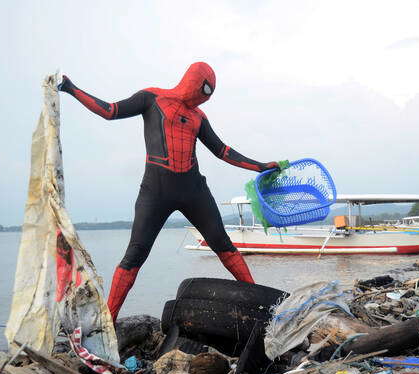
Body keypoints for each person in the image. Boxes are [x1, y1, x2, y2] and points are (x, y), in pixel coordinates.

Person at [58, 62, 279, 321]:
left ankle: (260, 304)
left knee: (223, 245)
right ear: (192, 80)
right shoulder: (151, 98)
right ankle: (108, 321)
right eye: (204, 89)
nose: (204, 97)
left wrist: (260, 167)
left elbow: (222, 151)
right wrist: (72, 89)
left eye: (209, 94)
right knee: (135, 254)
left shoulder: (199, 117)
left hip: (193, 189)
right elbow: (111, 111)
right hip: (156, 189)